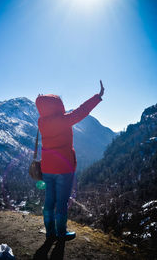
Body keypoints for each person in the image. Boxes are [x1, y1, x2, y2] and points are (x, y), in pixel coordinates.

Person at [33, 81, 104, 259]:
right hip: (63, 168)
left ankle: (50, 233)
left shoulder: (41, 121)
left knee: (49, 200)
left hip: (47, 167)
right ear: (57, 106)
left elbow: (48, 110)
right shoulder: (64, 120)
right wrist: (98, 96)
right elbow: (81, 111)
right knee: (62, 203)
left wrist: (41, 101)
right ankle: (61, 233)